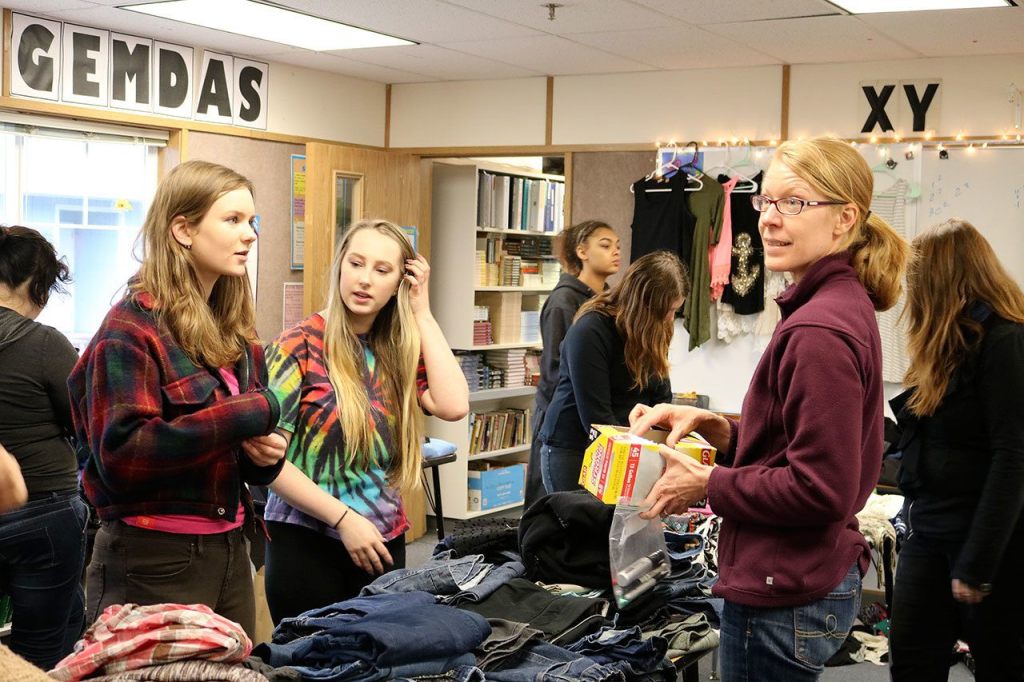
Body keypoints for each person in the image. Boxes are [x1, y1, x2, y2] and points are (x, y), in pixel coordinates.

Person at [630, 137, 908, 681]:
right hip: (801, 576)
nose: (769, 221)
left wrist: (707, 483)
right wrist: (721, 429)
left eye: (795, 203)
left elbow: (819, 488)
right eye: (767, 202)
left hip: (785, 589)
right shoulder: (833, 306)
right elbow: (799, 441)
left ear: (844, 218)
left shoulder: (818, 328)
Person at [68, 160, 286, 639]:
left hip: (231, 546)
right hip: (153, 556)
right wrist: (248, 412)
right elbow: (123, 455)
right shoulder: (129, 331)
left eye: (251, 221)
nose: (249, 235)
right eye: (232, 220)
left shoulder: (235, 334)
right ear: (183, 229)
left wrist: (264, 455)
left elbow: (233, 452)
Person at [262, 218, 468, 623]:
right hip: (307, 542)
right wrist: (344, 519)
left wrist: (422, 313)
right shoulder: (297, 345)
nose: (365, 280)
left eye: (382, 270)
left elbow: (454, 404)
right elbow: (268, 463)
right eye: (356, 264)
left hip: (383, 539)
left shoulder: (397, 350)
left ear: (399, 283)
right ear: (340, 267)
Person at [888, 219, 1024, 681]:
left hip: (989, 544)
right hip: (929, 531)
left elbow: (1013, 458)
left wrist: (978, 563)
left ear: (942, 281)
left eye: (917, 283)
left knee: (1002, 665)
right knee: (910, 661)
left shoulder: (1008, 341)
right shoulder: (947, 348)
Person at [0, 225, 89, 669]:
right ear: (36, 283)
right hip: (43, 513)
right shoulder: (44, 343)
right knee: (43, 651)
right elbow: (87, 421)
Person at [538, 250, 688, 494]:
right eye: (667, 311)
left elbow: (661, 397)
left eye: (675, 310)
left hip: (625, 444)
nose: (670, 319)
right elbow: (597, 418)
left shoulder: (654, 328)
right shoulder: (590, 330)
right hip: (575, 449)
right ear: (644, 305)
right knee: (581, 530)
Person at [524, 220, 621, 507]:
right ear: (582, 252)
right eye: (605, 245)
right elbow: (555, 371)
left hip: (589, 412)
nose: (615, 252)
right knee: (553, 506)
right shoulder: (563, 302)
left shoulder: (607, 300)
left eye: (618, 246)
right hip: (562, 417)